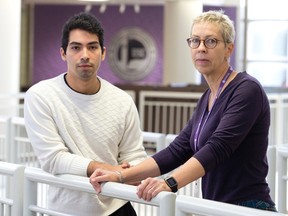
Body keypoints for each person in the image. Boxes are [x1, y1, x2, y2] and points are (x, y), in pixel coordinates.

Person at [90, 10, 277, 212]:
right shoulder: (208, 97)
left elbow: (218, 147)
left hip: (246, 208)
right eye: (195, 41)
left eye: (211, 41)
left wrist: (169, 183)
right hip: (217, 207)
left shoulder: (247, 89)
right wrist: (122, 176)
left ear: (229, 49)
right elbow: (178, 149)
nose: (201, 48)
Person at [24, 12, 147, 216]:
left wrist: (133, 170)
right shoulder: (41, 96)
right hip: (67, 209)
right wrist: (113, 169)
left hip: (117, 206)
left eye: (92, 47)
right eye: (75, 47)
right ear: (63, 53)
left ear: (103, 52)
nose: (84, 55)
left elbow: (134, 154)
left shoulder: (122, 100)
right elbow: (53, 159)